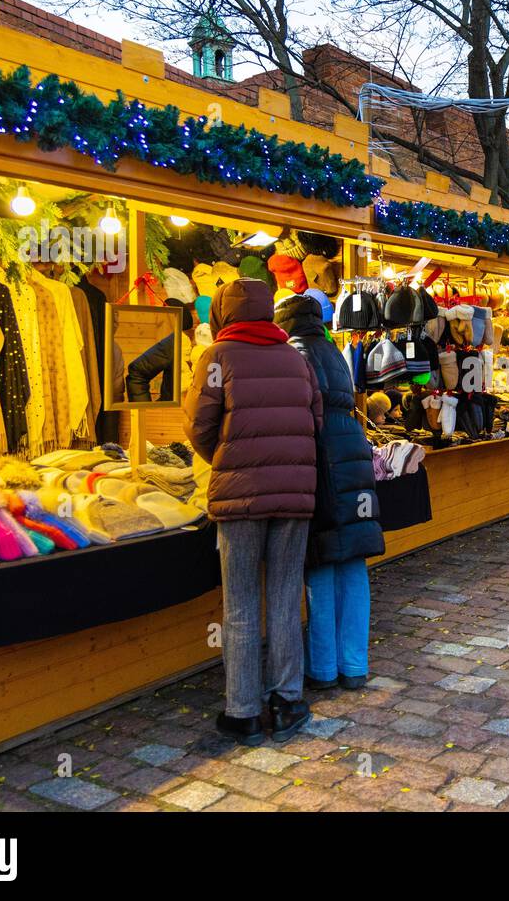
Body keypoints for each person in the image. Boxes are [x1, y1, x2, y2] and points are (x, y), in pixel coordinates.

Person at [184, 278, 323, 746]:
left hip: (238, 498)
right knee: (285, 596)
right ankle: (287, 702)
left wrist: (227, 459)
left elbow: (199, 426)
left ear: (223, 313)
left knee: (240, 603)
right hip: (295, 494)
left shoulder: (217, 358)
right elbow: (315, 421)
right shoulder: (296, 359)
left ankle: (242, 711)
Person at [275, 292, 384, 692]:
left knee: (320, 563)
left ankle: (322, 668)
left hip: (319, 457)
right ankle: (354, 665)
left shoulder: (292, 354)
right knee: (353, 564)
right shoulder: (334, 352)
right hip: (351, 450)